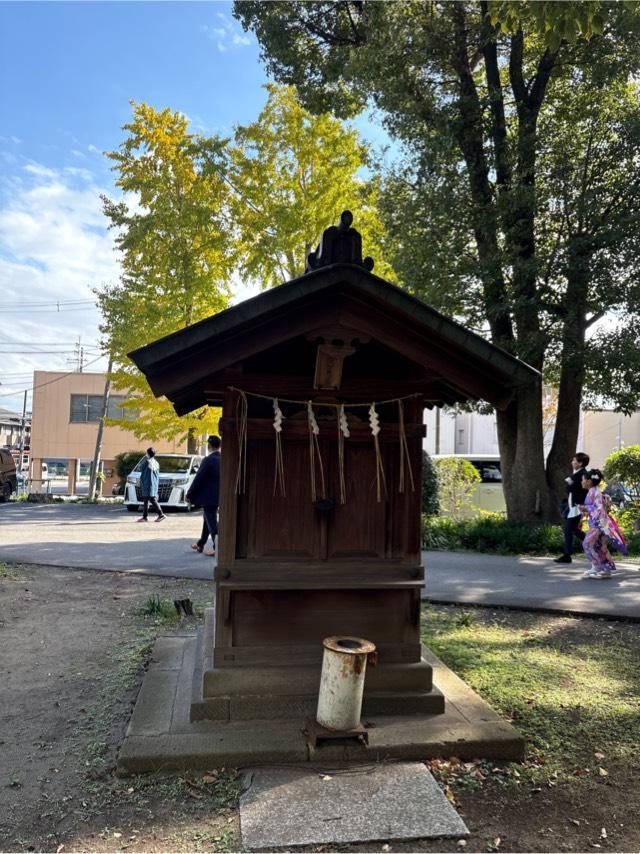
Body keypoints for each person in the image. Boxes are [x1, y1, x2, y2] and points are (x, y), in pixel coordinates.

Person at [580, 468, 623, 579]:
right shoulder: (594, 491)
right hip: (600, 522)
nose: (582, 482)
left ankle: (596, 566)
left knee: (587, 544)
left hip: (598, 523)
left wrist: (585, 507)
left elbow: (598, 509)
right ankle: (606, 569)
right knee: (600, 546)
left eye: (583, 480)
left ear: (589, 481)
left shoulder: (595, 492)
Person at [187, 435, 221, 556]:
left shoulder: (208, 460)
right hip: (221, 496)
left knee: (211, 521)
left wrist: (189, 494)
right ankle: (201, 543)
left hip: (209, 496)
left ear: (209, 446)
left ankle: (217, 547)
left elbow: (198, 479)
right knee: (207, 519)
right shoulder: (223, 459)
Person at [554, 451, 590, 563]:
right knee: (574, 529)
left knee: (569, 529)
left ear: (580, 463)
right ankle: (593, 542)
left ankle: (567, 555)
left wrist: (570, 483)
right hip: (574, 506)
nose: (572, 462)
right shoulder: (578, 474)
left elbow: (576, 489)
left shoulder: (582, 474)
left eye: (574, 460)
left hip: (577, 507)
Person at [138, 447, 166, 522]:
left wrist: (144, 458)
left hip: (147, 483)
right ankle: (147, 516)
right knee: (150, 499)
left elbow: (140, 468)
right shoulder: (156, 463)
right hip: (154, 483)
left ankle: (159, 515)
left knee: (149, 500)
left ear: (148, 453)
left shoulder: (147, 462)